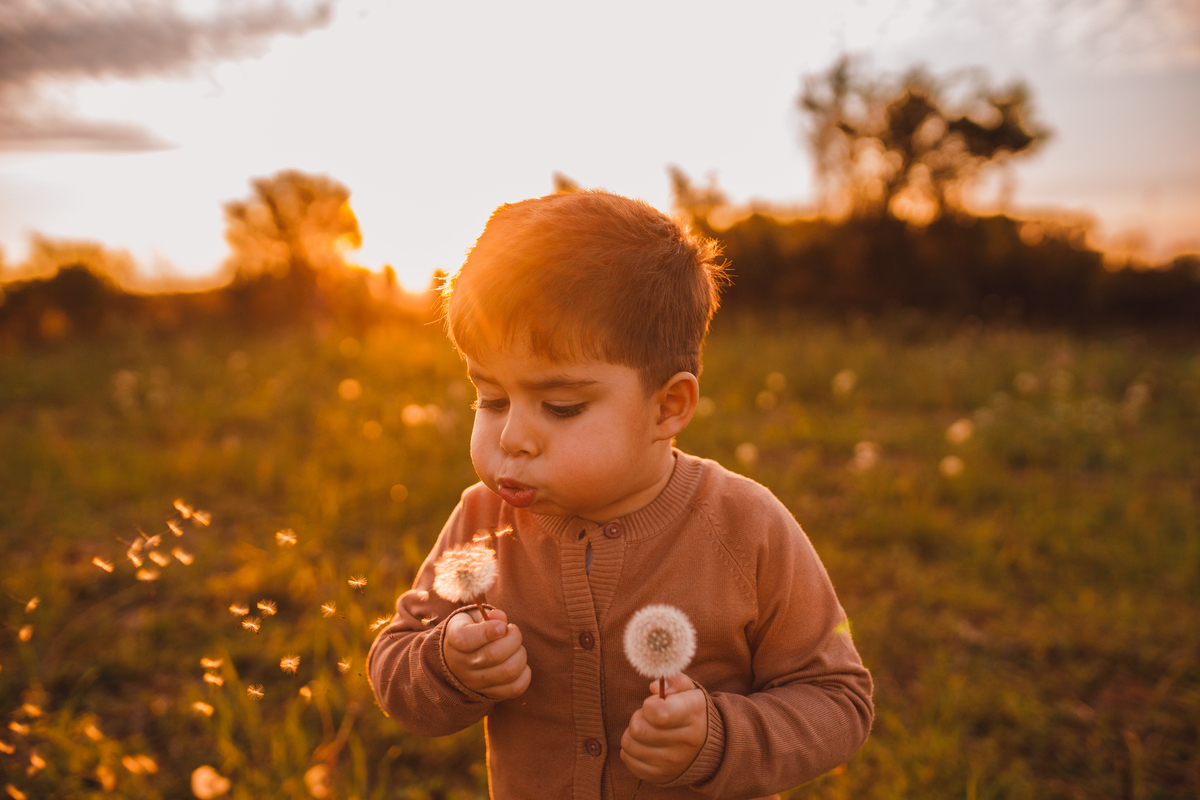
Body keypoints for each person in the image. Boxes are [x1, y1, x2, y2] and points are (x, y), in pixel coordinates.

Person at [368, 191, 873, 799]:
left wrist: (717, 738)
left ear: (667, 407)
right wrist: (446, 664)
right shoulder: (480, 519)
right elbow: (395, 660)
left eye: (561, 406)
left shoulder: (747, 526)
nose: (511, 436)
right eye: (492, 398)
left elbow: (838, 699)